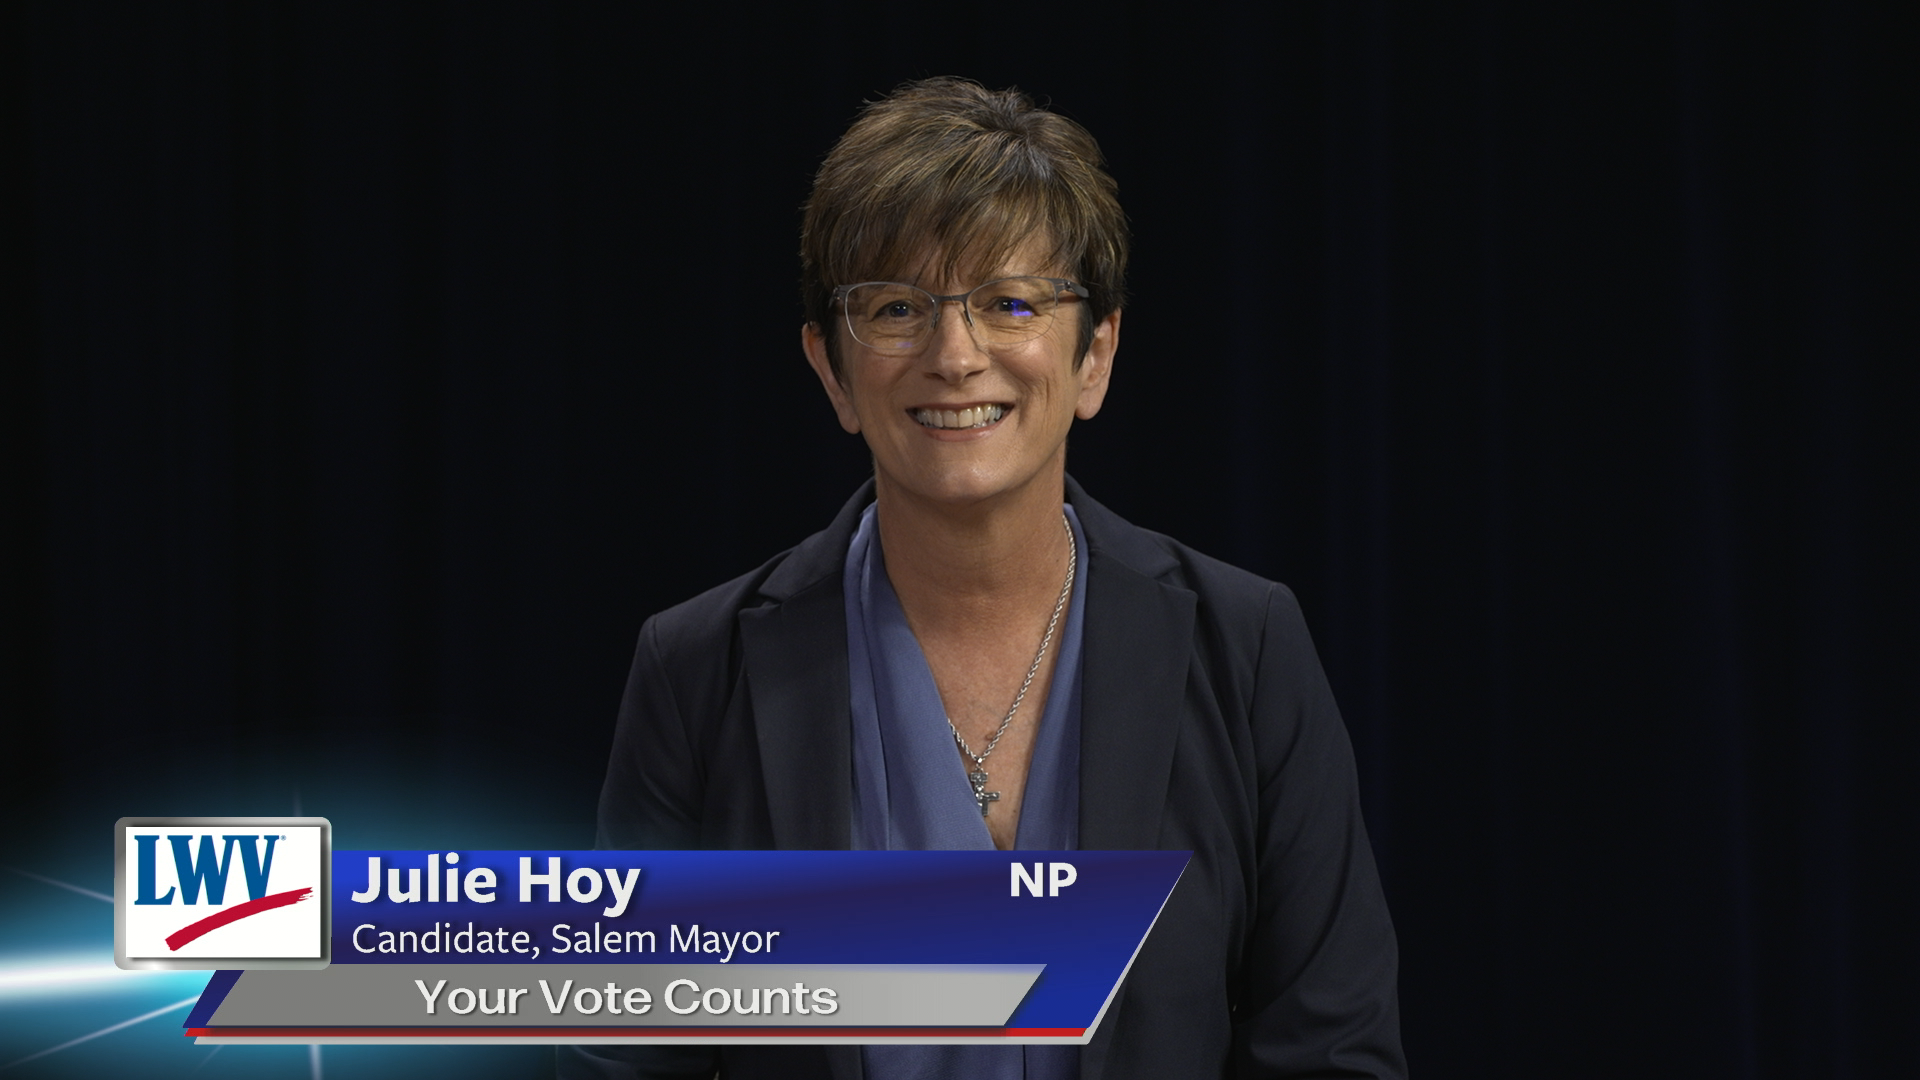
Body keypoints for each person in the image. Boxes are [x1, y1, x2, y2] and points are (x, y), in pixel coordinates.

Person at [571, 77, 1404, 1079]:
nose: (955, 355)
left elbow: (1333, 1052)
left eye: (1009, 303)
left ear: (1094, 353)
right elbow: (621, 1061)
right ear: (831, 370)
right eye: (895, 308)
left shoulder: (1249, 650)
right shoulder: (697, 672)